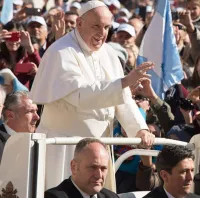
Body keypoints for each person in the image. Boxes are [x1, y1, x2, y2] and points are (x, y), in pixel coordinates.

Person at [30, 1, 155, 190]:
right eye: (96, 26)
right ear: (79, 23)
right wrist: (124, 82)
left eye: (106, 27)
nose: (102, 33)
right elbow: (80, 96)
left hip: (100, 148)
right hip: (65, 148)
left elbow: (122, 99)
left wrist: (140, 129)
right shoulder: (61, 52)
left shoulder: (110, 54)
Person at [44, 138, 119, 198]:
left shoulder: (111, 196)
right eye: (92, 167)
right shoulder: (53, 196)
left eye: (103, 168)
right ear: (74, 167)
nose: (99, 175)